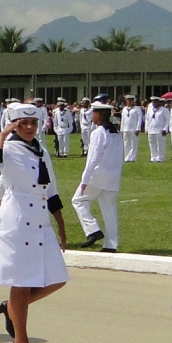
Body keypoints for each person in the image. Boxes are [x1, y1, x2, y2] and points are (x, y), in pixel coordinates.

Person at [0, 102, 69, 343]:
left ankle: (11, 309)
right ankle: (21, 342)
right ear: (13, 125)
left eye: (33, 123)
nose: (30, 128)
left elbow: (50, 187)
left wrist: (61, 223)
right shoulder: (7, 148)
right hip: (18, 223)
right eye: (23, 124)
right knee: (21, 282)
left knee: (57, 278)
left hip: (40, 220)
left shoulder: (41, 149)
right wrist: (1, 135)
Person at [72, 101, 124, 251]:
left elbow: (93, 158)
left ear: (99, 115)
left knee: (78, 201)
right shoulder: (116, 133)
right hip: (113, 176)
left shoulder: (98, 133)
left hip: (97, 176)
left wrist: (84, 179)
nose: (92, 116)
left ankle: (93, 230)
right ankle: (111, 244)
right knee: (109, 210)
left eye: (94, 113)